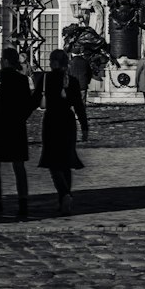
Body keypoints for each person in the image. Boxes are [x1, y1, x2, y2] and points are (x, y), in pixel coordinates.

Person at [0, 47, 40, 219]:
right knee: (18, 165)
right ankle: (23, 202)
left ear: (5, 60)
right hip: (15, 126)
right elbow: (28, 104)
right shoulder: (22, 79)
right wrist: (21, 117)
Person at [37, 49, 89, 215]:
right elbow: (79, 107)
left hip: (52, 121)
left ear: (54, 62)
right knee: (66, 163)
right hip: (68, 122)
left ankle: (64, 195)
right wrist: (85, 127)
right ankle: (64, 200)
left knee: (53, 163)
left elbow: (33, 101)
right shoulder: (72, 81)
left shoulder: (46, 79)